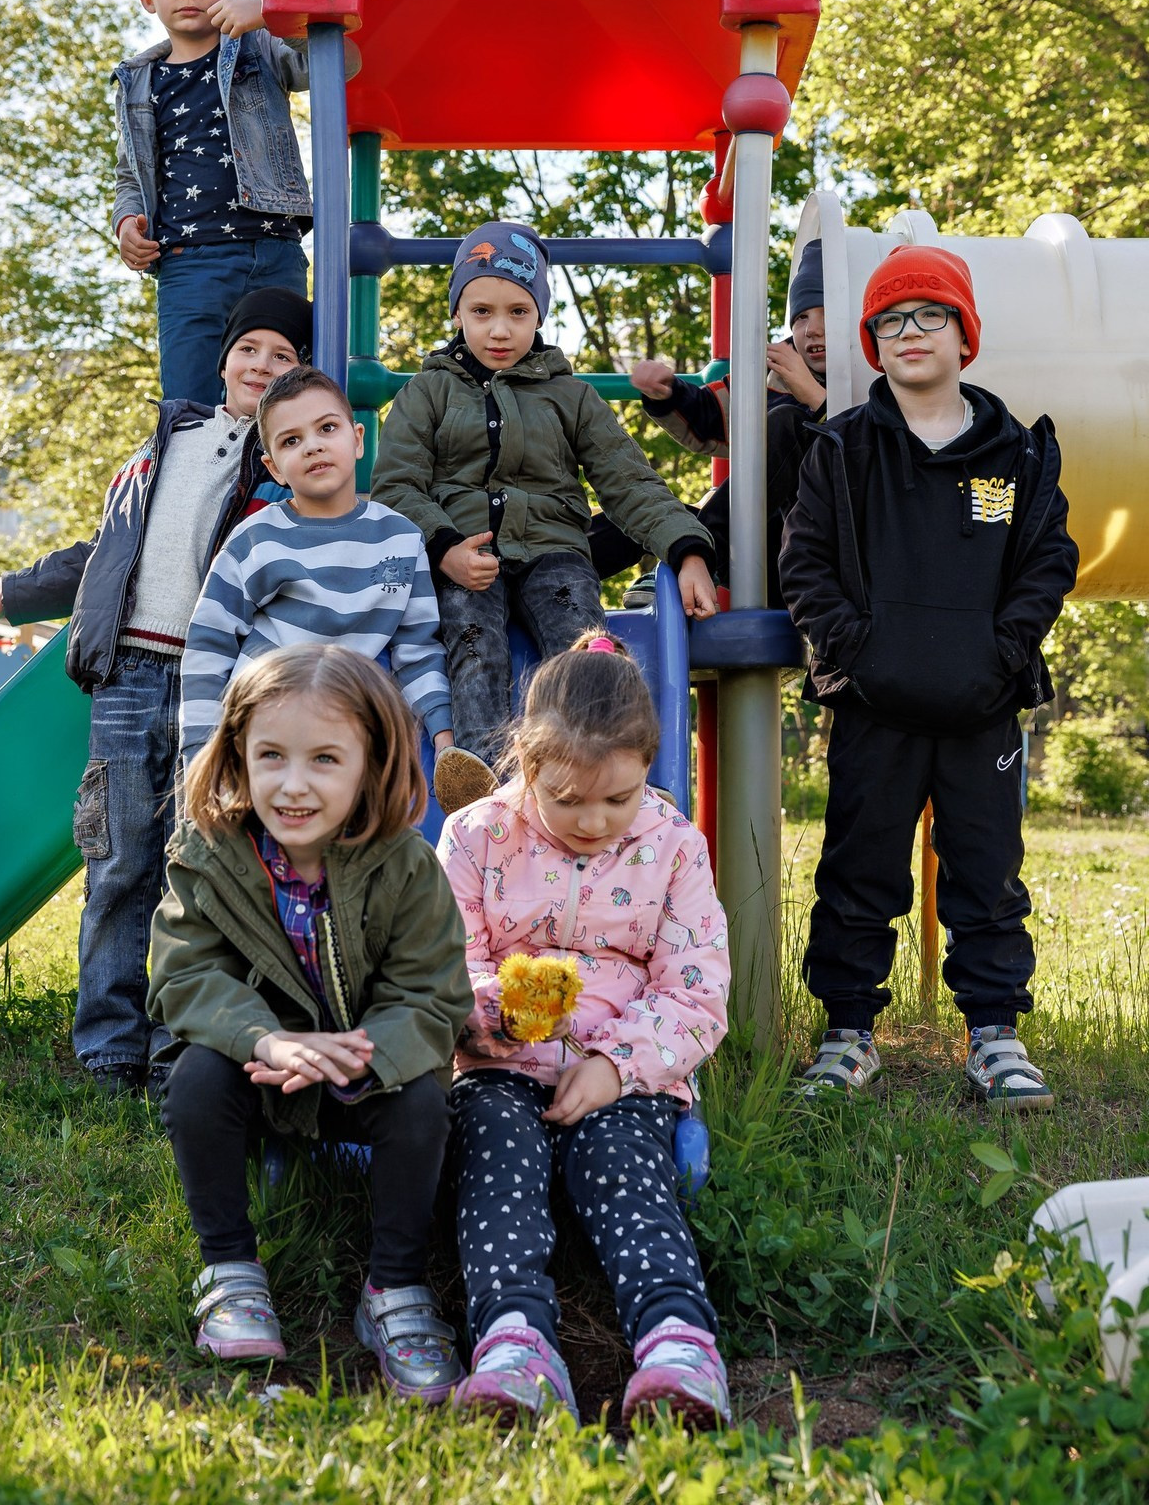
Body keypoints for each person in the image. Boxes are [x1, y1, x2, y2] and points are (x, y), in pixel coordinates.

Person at [0, 288, 313, 1095]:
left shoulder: (284, 460)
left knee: (192, 861)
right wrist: (20, 591)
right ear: (225, 356)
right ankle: (108, 1047)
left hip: (216, 685)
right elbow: (107, 550)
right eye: (251, 349)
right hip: (128, 673)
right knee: (119, 856)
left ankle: (176, 1041)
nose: (262, 366)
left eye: (284, 357)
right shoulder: (168, 441)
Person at [779, 245, 1078, 1108]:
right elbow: (808, 566)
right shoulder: (842, 449)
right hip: (875, 706)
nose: (912, 333)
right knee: (857, 868)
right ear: (871, 343)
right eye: (891, 321)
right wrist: (858, 654)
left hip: (981, 707)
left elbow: (1046, 563)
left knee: (986, 871)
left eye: (930, 316)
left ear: (964, 334)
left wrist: (1001, 655)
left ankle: (995, 1037)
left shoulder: (1016, 453)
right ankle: (846, 1036)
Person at [149, 644, 473, 1390]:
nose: (293, 786)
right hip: (262, 1072)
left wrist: (365, 1052)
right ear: (237, 754)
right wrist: (266, 1038)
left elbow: (433, 992)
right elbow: (185, 972)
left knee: (425, 1103)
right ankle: (232, 1269)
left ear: (374, 762)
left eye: (325, 759)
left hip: (368, 1075)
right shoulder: (209, 852)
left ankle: (394, 1288)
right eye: (271, 757)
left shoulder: (404, 865)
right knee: (195, 1078)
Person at [438, 631, 732, 1427]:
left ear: (649, 771)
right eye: (565, 799)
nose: (594, 821)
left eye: (618, 798)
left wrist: (615, 1063)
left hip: (624, 1070)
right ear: (526, 765)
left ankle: (678, 1342)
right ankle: (514, 1344)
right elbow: (438, 957)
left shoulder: (672, 848)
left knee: (625, 1172)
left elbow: (696, 992)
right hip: (496, 1066)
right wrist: (476, 1012)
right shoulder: (475, 837)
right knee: (495, 1166)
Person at [370, 222, 719, 766]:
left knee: (581, 637)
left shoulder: (569, 396)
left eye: (518, 312)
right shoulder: (428, 391)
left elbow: (629, 482)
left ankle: (597, 765)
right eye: (481, 311)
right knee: (471, 640)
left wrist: (688, 551)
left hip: (553, 551)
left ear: (539, 315)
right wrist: (443, 549)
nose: (500, 330)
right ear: (456, 314)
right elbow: (396, 485)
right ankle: (483, 775)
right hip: (464, 551)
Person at [179, 366, 491, 814]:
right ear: (274, 468)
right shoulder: (257, 538)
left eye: (327, 428)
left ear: (358, 438)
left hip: (346, 721)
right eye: (291, 441)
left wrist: (445, 743)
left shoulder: (400, 538)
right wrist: (201, 756)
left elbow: (417, 648)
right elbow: (209, 643)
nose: (313, 445)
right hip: (266, 718)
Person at [113, 0, 330, 405]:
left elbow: (336, 61)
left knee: (286, 400)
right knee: (190, 407)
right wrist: (126, 222)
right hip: (190, 264)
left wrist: (270, 10)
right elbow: (131, 174)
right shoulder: (139, 81)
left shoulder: (260, 48)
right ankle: (196, 483)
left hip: (272, 248)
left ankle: (277, 485)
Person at [590, 239, 829, 606]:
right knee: (658, 517)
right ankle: (537, 566)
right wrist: (669, 393)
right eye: (801, 317)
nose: (812, 329)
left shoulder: (873, 378)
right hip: (746, 548)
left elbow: (866, 451)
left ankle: (697, 553)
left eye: (826, 313)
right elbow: (712, 419)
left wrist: (812, 395)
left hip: (812, 557)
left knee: (787, 422)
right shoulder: (772, 377)